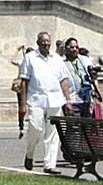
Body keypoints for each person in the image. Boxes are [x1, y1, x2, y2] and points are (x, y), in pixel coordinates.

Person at [17, 31, 75, 174]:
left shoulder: (57, 59)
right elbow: (24, 81)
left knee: (53, 134)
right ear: (38, 43)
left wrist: (68, 100)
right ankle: (30, 154)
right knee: (35, 129)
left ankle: (49, 164)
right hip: (36, 99)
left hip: (55, 100)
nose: (46, 44)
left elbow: (63, 80)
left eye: (48, 41)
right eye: (43, 41)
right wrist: (22, 104)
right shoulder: (30, 58)